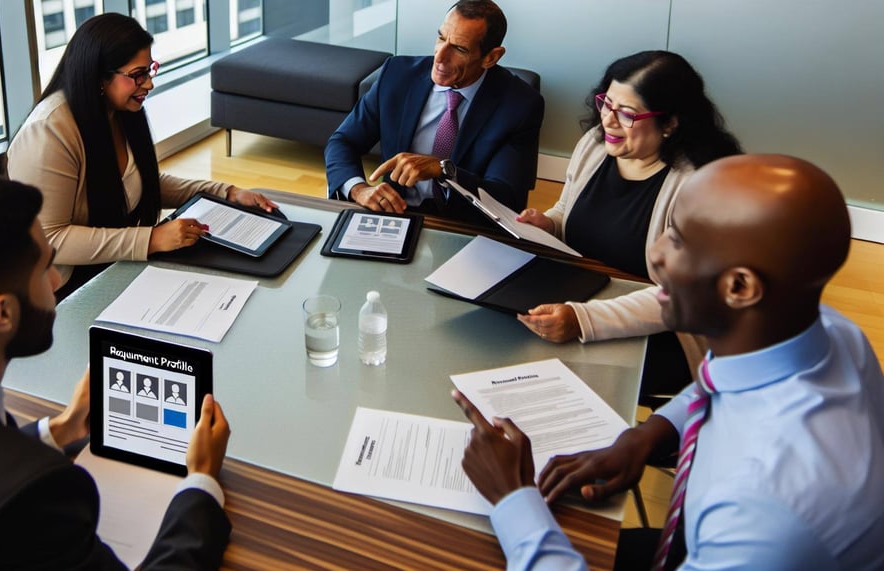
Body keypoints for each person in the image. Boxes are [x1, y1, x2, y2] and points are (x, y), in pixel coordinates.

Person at [455, 155, 884, 570]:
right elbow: (721, 383)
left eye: (676, 239)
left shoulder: (768, 509)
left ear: (739, 287)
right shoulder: (822, 330)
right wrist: (646, 436)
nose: (655, 254)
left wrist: (513, 499)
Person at [0, 174, 233, 569]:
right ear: (3, 314)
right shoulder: (32, 494)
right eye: (47, 267)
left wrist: (62, 429)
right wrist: (201, 483)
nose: (55, 281)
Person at [515, 51, 741, 403]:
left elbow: (678, 296)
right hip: (581, 296)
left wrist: (582, 320)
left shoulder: (699, 184)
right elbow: (566, 211)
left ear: (670, 123)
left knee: (543, 374)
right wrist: (548, 224)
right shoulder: (594, 145)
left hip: (662, 328)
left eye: (628, 114)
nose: (608, 120)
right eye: (607, 103)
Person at [8, 14, 276, 300]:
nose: (148, 84)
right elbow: (52, 239)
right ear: (99, 77)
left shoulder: (118, 111)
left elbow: (140, 183)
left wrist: (226, 193)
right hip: (62, 291)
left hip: (111, 265)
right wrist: (152, 239)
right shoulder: (50, 131)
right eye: (137, 75)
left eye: (149, 71)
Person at [324, 0, 544, 224]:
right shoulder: (396, 74)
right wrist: (359, 189)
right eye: (441, 38)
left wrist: (443, 170)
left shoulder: (520, 105)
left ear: (491, 57)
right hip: (394, 214)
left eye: (459, 49)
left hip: (465, 224)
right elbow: (343, 141)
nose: (439, 57)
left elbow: (507, 197)